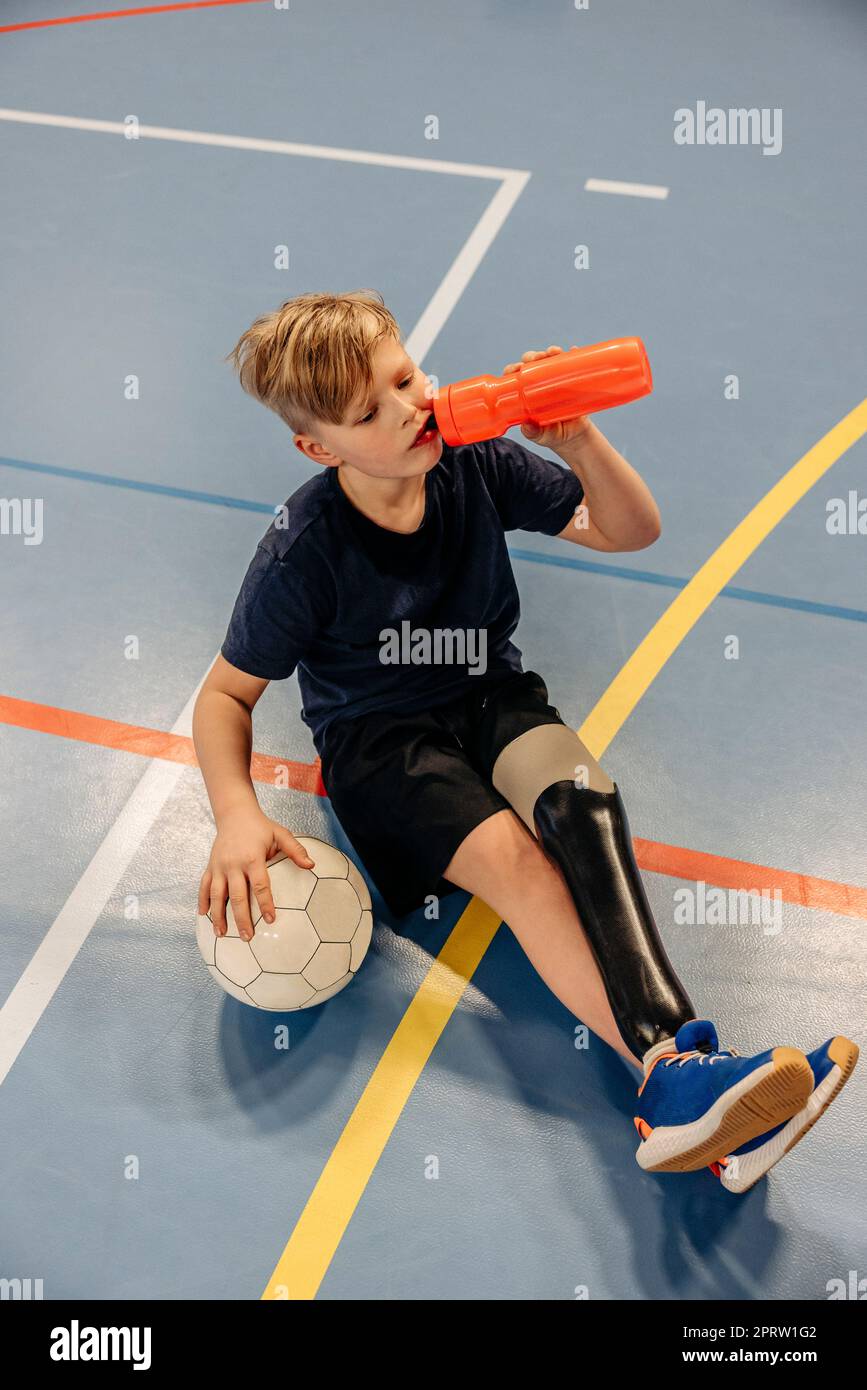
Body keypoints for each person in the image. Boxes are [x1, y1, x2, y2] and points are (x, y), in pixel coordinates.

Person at [193, 290, 857, 1195]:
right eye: (368, 413)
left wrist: (578, 441)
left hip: (490, 696)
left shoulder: (472, 461)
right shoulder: (301, 551)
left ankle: (712, 1117)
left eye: (403, 378)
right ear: (319, 448)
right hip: (381, 745)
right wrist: (235, 814)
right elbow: (227, 695)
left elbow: (629, 530)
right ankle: (672, 1073)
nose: (408, 408)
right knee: (518, 867)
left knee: (585, 806)